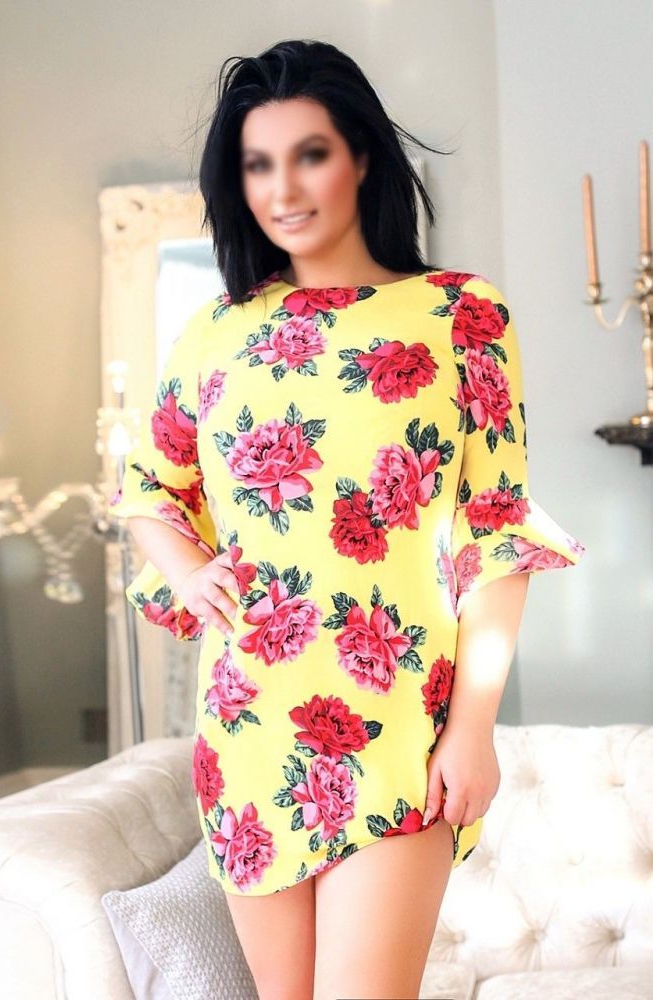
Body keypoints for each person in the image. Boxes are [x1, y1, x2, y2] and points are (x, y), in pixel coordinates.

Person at [110, 38, 586, 1000]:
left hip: (399, 721)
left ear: (362, 157)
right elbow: (148, 489)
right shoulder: (215, 333)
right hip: (247, 726)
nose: (283, 188)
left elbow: (498, 535)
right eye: (258, 164)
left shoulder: (460, 316)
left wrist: (473, 729)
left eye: (310, 154)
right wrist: (191, 573)